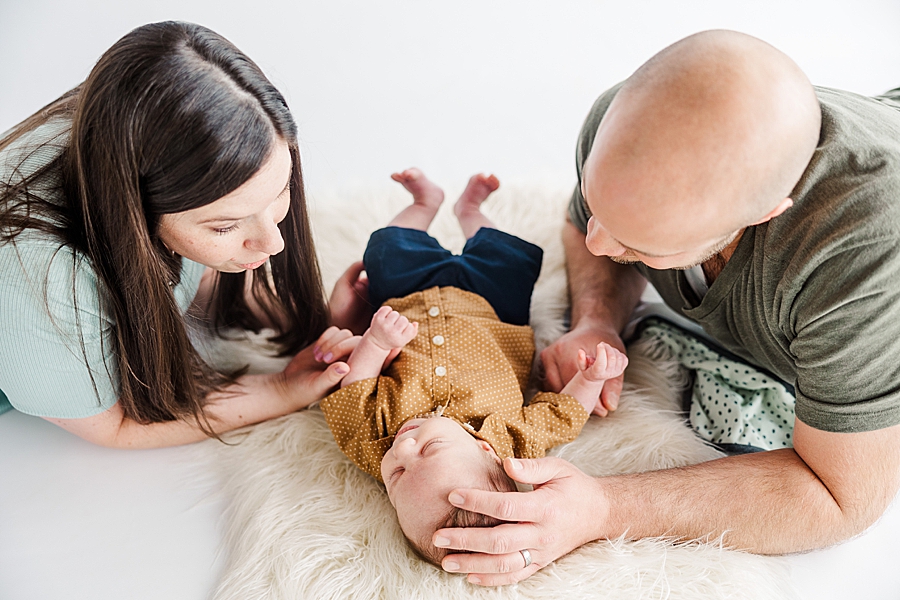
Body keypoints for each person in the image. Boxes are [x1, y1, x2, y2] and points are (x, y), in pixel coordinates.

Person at [430, 29, 900, 585]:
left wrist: (602, 507)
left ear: (765, 212)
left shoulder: (860, 258)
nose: (599, 244)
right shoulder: (621, 119)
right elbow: (582, 228)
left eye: (642, 244)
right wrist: (597, 319)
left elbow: (838, 496)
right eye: (596, 202)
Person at [0, 21, 369, 447]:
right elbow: (114, 427)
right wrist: (281, 389)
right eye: (226, 225)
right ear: (136, 211)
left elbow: (203, 276)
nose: (275, 243)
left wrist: (314, 326)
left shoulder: (134, 126)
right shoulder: (33, 281)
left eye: (279, 193)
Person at [315, 168, 628, 565]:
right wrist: (591, 377)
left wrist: (377, 343)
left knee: (386, 247)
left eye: (395, 476)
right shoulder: (511, 439)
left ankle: (423, 205)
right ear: (485, 450)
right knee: (509, 257)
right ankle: (470, 210)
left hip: (407, 298)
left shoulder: (372, 444)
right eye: (429, 448)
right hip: (491, 309)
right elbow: (563, 414)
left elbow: (354, 388)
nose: (403, 450)